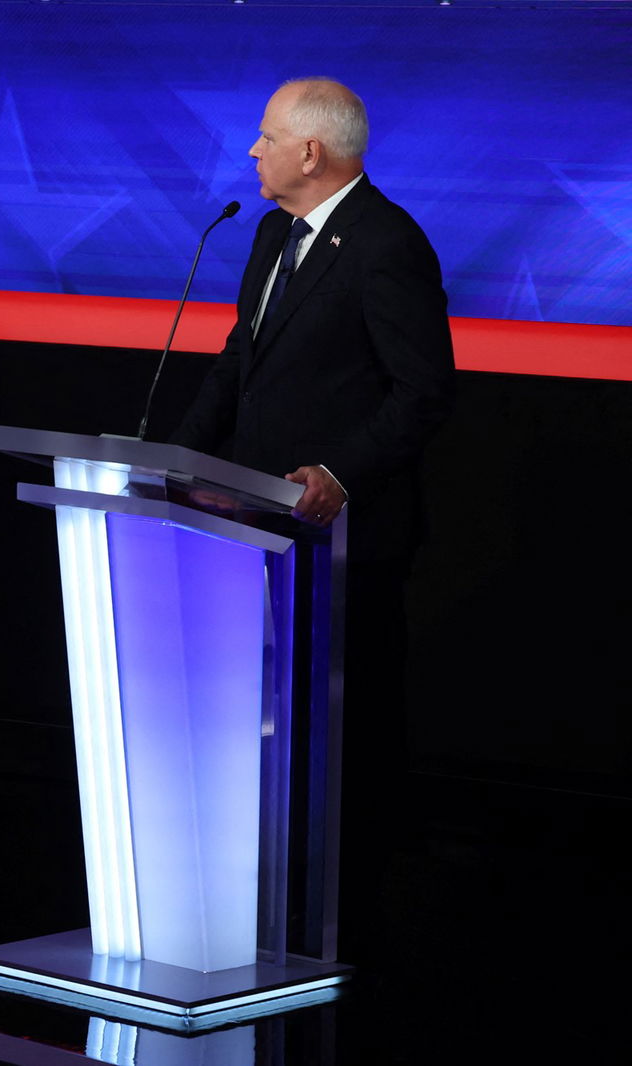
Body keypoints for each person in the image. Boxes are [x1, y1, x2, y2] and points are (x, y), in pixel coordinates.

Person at [168, 77, 456, 961]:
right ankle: (269, 902)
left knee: (349, 739)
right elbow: (239, 359)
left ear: (311, 153)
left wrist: (338, 471)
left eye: (264, 138)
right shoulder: (267, 232)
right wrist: (172, 459)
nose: (251, 153)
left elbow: (424, 390)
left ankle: (359, 925)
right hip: (250, 529)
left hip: (344, 546)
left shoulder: (386, 243)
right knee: (265, 728)